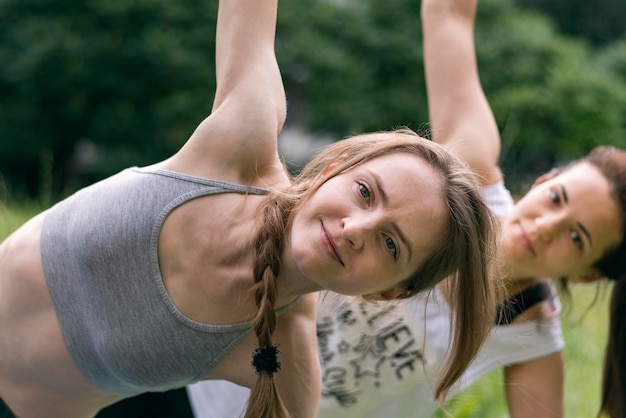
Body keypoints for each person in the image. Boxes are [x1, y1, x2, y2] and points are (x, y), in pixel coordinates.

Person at [0, 0, 498, 417]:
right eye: (366, 193)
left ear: (390, 292)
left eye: (391, 244)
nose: (355, 228)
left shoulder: (285, 359)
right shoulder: (238, 149)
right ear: (336, 167)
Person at [186, 0, 626, 417]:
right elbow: (449, 15)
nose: (545, 226)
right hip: (195, 365)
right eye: (557, 199)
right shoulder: (468, 176)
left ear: (587, 272)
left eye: (576, 237)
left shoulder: (530, 335)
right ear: (545, 180)